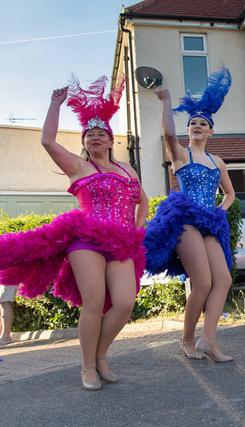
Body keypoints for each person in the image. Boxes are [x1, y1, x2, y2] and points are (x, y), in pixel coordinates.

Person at [0, 76, 148, 391]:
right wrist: (55, 104)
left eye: (100, 134)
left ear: (110, 141)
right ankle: (87, 368)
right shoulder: (77, 167)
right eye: (89, 134)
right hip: (86, 241)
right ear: (84, 142)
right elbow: (47, 142)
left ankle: (101, 355)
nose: (95, 138)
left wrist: (137, 229)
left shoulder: (127, 170)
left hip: (121, 243)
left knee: (123, 303)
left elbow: (142, 200)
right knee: (93, 302)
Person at [144, 68, 235, 362]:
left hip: (209, 222)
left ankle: (209, 340)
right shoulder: (181, 155)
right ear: (189, 130)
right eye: (193, 123)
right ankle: (186, 339)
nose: (196, 125)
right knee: (204, 282)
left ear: (211, 130)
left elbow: (230, 194)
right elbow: (168, 133)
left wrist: (220, 212)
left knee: (223, 280)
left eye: (202, 123)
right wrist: (166, 101)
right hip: (185, 221)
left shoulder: (217, 160)